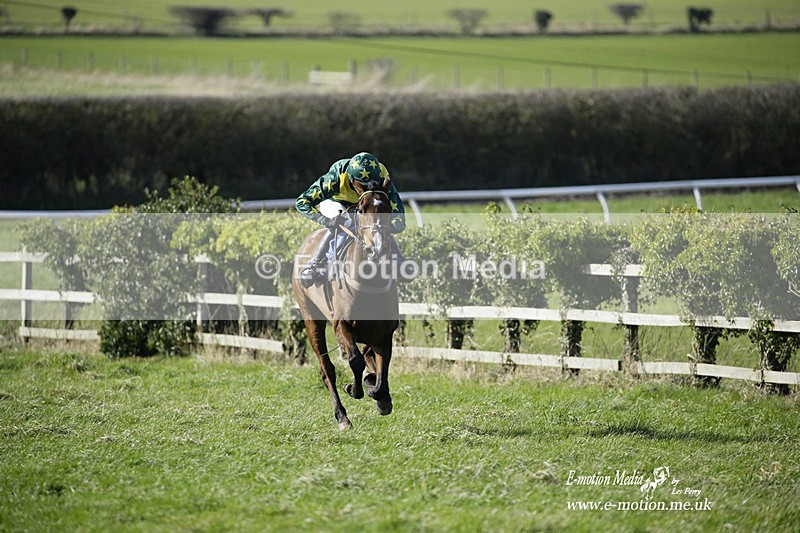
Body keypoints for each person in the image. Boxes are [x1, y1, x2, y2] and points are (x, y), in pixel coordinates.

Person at [295, 152, 406, 287]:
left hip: (367, 205)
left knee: (379, 222)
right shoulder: (336, 178)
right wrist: (326, 220)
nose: (368, 188)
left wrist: (389, 226)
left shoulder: (381, 174)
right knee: (347, 222)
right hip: (336, 202)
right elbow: (302, 202)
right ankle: (315, 264)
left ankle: (399, 260)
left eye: (372, 184)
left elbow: (398, 215)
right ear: (351, 179)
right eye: (362, 185)